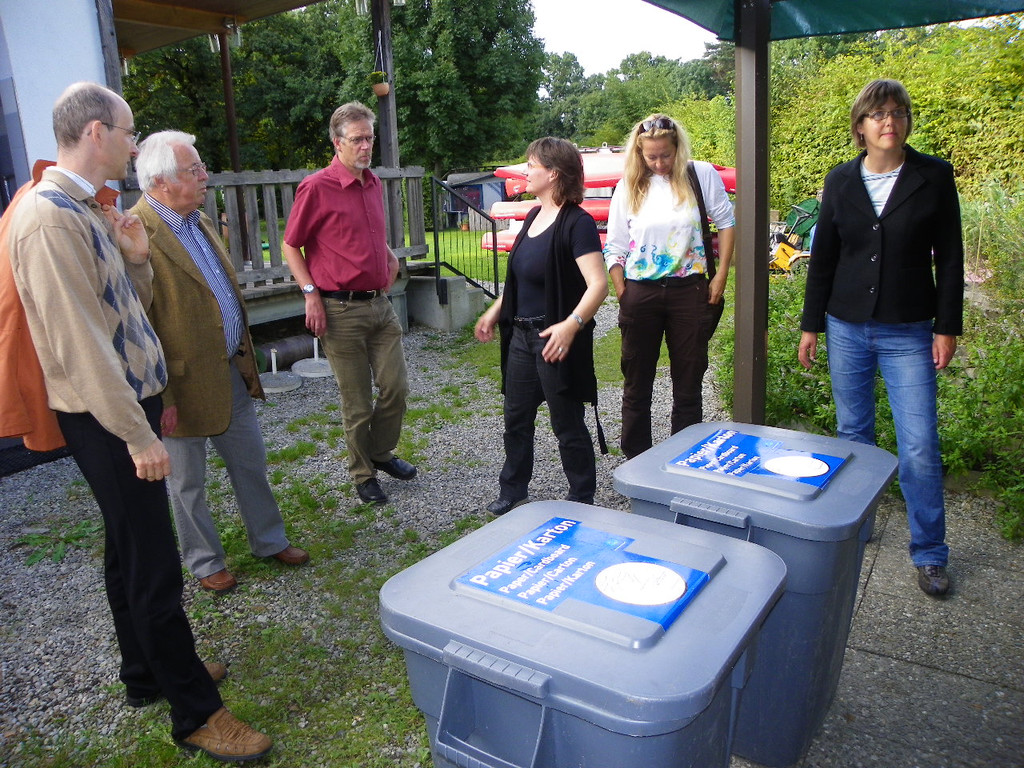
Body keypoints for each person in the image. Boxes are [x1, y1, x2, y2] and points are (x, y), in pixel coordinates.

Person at [6, 83, 271, 761]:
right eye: (127, 132)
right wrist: (137, 433)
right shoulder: (48, 219)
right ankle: (195, 713)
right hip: (107, 416)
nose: (133, 145)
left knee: (126, 551)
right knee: (154, 564)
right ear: (95, 132)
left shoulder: (88, 209)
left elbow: (127, 310)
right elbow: (80, 344)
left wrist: (136, 259)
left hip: (128, 402)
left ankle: (144, 673)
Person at [799, 79, 964, 597]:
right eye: (877, 114)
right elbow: (823, 258)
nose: (889, 121)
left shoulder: (932, 176)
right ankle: (858, 528)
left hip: (909, 329)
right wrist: (811, 325)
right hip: (846, 325)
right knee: (854, 435)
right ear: (860, 127)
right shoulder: (841, 180)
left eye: (897, 112)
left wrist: (946, 326)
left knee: (919, 445)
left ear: (906, 121)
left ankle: (930, 552)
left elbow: (951, 256)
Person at [131, 130, 309, 595]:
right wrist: (162, 396)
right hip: (178, 385)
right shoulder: (136, 231)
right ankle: (205, 560)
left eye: (201, 167)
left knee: (250, 463)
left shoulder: (199, 220)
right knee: (187, 483)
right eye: (194, 169)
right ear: (161, 181)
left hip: (230, 369)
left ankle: (269, 540)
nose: (204, 175)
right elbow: (139, 324)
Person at [283, 102, 414, 506]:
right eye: (357, 139)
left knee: (396, 388)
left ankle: (380, 452)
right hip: (339, 311)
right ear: (337, 143)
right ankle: (363, 473)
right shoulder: (316, 187)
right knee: (357, 403)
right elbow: (291, 245)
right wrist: (311, 294)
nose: (366, 146)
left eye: (369, 138)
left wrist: (389, 258)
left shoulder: (372, 183)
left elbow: (368, 234)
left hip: (380, 305)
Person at [475, 137, 608, 515]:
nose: (525, 171)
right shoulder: (533, 216)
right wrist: (495, 311)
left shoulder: (577, 223)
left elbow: (598, 285)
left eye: (531, 165)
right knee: (515, 419)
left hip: (555, 339)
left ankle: (582, 495)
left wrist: (571, 325)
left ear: (553, 173)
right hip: (520, 337)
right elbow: (519, 280)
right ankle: (513, 488)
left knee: (567, 423)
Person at [604, 114, 735, 459]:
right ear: (639, 153)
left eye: (666, 154)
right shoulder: (628, 186)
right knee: (636, 383)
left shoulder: (700, 175)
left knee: (689, 381)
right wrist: (623, 291)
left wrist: (721, 275)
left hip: (689, 291)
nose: (660, 163)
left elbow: (726, 222)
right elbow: (615, 245)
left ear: (678, 148)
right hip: (640, 292)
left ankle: (685, 458)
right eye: (651, 157)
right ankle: (636, 460)